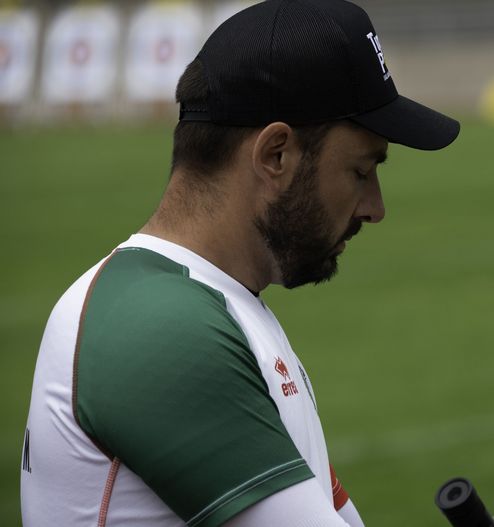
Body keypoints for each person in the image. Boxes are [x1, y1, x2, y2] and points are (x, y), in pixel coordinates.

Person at [20, 1, 459, 526]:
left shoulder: (211, 305)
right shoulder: (160, 328)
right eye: (362, 170)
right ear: (275, 154)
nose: (375, 208)